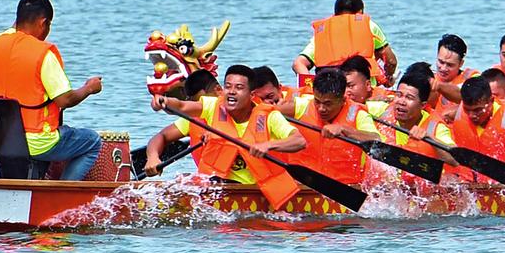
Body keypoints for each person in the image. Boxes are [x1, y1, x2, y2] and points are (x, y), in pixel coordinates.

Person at [0, 0, 104, 180]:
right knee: (92, 142)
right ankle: (63, 192)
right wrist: (89, 88)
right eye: (49, 25)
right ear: (43, 23)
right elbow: (65, 100)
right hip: (38, 142)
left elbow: (20, 23)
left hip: (3, 140)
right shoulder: (43, 54)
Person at [150, 65, 307, 209]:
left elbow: (299, 141)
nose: (231, 92)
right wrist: (165, 101)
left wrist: (268, 145)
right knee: (180, 181)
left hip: (256, 191)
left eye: (239, 88)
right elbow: (181, 106)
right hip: (217, 185)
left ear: (252, 95)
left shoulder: (269, 117)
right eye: (228, 86)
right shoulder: (214, 106)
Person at [279, 68, 381, 184]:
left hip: (344, 187)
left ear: (343, 99)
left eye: (328, 104)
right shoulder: (302, 105)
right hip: (303, 185)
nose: (321, 109)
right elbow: (270, 112)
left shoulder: (359, 115)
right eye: (317, 101)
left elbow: (377, 140)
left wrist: (344, 129)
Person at [291, 0, 397, 85]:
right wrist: (388, 78)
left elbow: (298, 64)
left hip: (330, 92)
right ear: (360, 12)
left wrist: (311, 88)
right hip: (361, 92)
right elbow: (391, 61)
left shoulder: (323, 31)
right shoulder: (369, 25)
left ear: (335, 14)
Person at [451, 76, 505, 181]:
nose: (471, 115)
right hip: (467, 184)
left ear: (491, 100)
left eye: (477, 110)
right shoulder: (459, 112)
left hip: (504, 185)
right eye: (467, 110)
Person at [143, 69, 222, 176]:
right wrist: (153, 157)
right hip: (211, 179)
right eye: (194, 103)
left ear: (218, 90)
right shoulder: (194, 118)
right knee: (181, 178)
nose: (195, 107)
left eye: (201, 102)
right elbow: (161, 136)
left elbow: (181, 106)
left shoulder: (236, 110)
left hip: (238, 179)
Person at [374, 72, 458, 167]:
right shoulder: (382, 110)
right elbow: (359, 108)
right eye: (399, 95)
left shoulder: (436, 127)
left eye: (409, 98)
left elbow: (455, 160)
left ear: (423, 105)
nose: (401, 102)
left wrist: (429, 137)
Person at [429, 33, 478, 110]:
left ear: (461, 63)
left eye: (450, 65)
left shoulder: (473, 77)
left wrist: (438, 86)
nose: (443, 68)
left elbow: (468, 97)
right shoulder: (430, 77)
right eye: (441, 62)